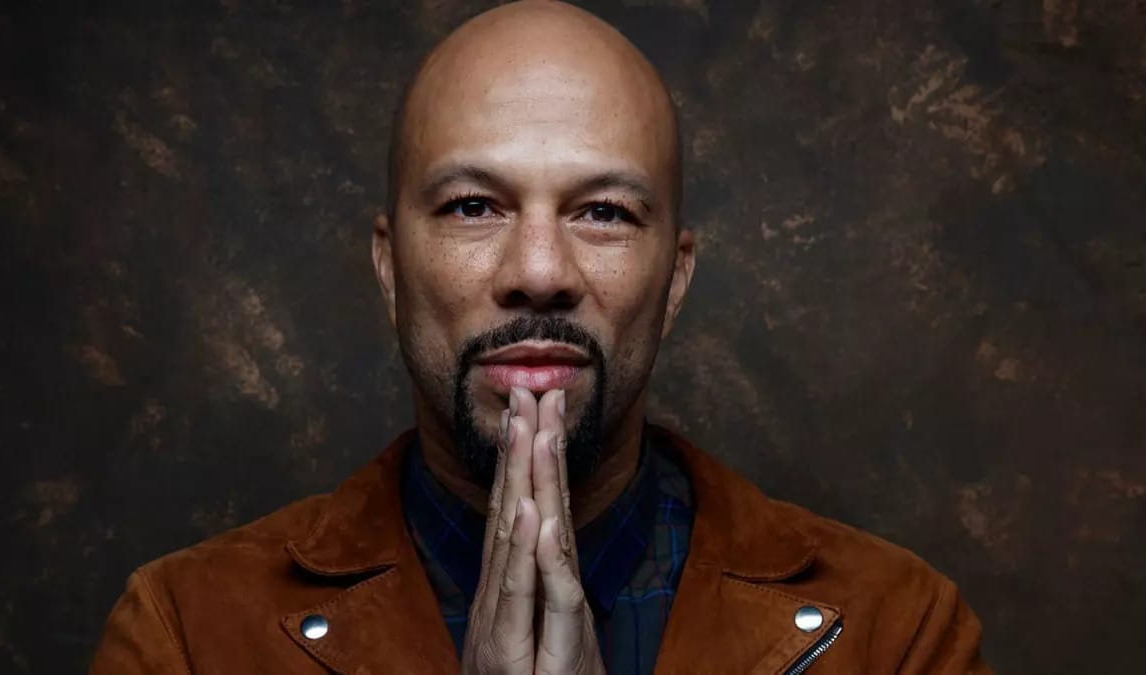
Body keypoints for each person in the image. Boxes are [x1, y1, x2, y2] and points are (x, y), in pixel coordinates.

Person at [92, 1, 990, 673]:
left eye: (603, 212)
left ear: (676, 279)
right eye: (472, 206)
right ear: (389, 265)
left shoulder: (897, 632)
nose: (539, 269)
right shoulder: (187, 633)